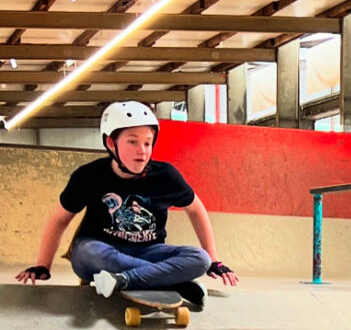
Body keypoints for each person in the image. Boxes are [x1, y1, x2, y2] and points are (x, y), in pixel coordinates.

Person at [15, 101, 238, 307]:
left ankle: (125, 279)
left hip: (149, 251)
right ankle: (166, 281)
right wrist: (43, 265)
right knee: (87, 251)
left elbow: (196, 209)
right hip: (101, 252)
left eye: (147, 143)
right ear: (111, 143)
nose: (142, 151)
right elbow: (59, 219)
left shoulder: (166, 176)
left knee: (200, 259)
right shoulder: (88, 176)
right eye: (132, 142)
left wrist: (215, 261)